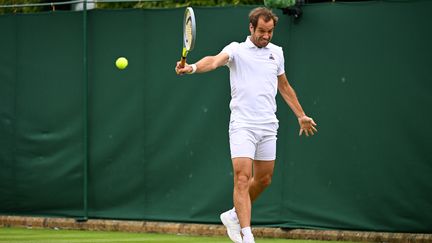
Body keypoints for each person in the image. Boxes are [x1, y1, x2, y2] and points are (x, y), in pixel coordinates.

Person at [175, 7, 317, 243]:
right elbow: (213, 61)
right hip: (242, 124)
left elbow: (284, 86)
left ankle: (233, 214)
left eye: (270, 31)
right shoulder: (236, 50)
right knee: (242, 178)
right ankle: (247, 234)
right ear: (251, 28)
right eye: (262, 30)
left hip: (268, 125)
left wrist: (300, 115)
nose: (266, 35)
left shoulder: (277, 53)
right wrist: (192, 68)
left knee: (264, 179)